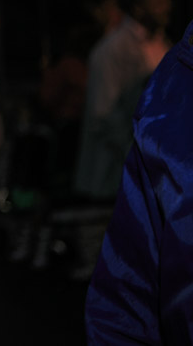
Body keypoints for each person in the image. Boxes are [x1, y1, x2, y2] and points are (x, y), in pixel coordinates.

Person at [84, 17, 193, 343]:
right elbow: (126, 297)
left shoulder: (166, 53)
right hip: (116, 148)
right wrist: (129, 142)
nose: (162, 8)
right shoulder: (175, 76)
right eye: (153, 0)